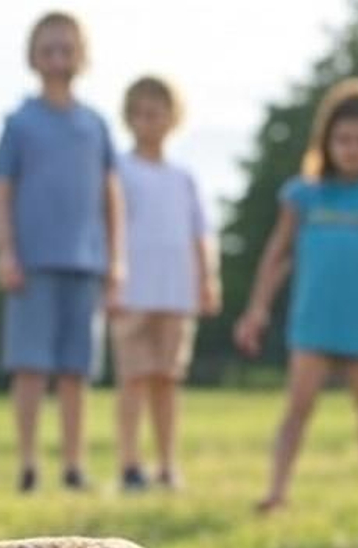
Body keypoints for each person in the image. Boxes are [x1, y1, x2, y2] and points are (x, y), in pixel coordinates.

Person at [233, 77, 358, 515]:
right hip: (314, 319)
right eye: (343, 139)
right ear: (326, 141)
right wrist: (257, 308)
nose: (353, 148)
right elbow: (277, 253)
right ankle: (277, 490)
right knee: (298, 407)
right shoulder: (304, 194)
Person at [0, 10, 124, 492]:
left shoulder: (96, 125)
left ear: (82, 55)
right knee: (30, 367)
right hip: (32, 263)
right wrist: (6, 250)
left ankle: (74, 465)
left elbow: (112, 194)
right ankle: (28, 464)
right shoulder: (19, 122)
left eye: (66, 48)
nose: (57, 57)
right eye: (48, 48)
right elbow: (2, 189)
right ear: (33, 56)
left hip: (86, 262)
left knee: (76, 370)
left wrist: (117, 259)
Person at [111, 75, 219, 492]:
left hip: (177, 290)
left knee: (167, 379)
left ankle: (167, 463)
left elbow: (200, 232)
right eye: (138, 114)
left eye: (155, 113)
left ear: (172, 118)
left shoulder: (184, 177)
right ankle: (129, 465)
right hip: (132, 290)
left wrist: (207, 278)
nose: (147, 121)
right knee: (133, 379)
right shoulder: (119, 170)